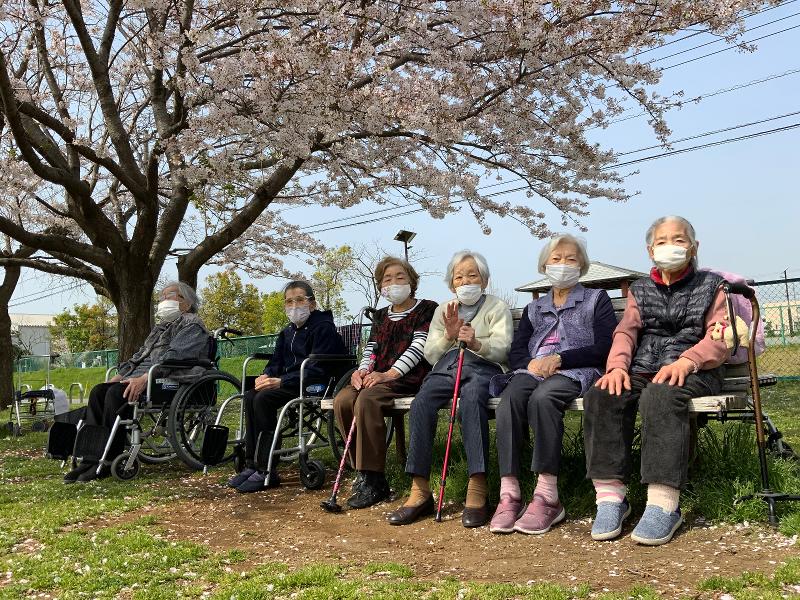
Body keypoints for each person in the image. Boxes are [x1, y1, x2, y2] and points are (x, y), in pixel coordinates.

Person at [583, 216, 730, 546]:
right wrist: (617, 367)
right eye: (662, 241)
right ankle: (611, 499)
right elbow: (626, 332)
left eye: (679, 239)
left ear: (694, 247)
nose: (671, 246)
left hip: (696, 371)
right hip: (643, 368)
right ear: (650, 250)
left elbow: (721, 336)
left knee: (660, 397)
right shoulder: (640, 289)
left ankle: (664, 504)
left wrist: (689, 361)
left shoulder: (713, 285)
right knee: (602, 394)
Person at [488, 235, 616, 535]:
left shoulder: (597, 300)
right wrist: (529, 364)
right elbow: (517, 351)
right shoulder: (536, 308)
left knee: (543, 399)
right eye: (556, 259)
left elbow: (605, 346)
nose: (562, 265)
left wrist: (560, 359)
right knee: (510, 399)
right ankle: (510, 493)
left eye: (570, 259)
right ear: (544, 265)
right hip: (533, 371)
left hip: (576, 370)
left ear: (582, 265)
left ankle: (547, 496)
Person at [387, 250, 513, 528]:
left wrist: (477, 343)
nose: (466, 280)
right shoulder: (443, 310)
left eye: (472, 275)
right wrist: (449, 335)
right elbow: (431, 354)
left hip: (483, 368)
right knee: (421, 403)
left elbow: (504, 348)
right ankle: (420, 490)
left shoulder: (496, 307)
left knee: (472, 400)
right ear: (451, 284)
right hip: (446, 368)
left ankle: (477, 486)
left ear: (485, 280)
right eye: (459, 277)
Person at [64, 281, 210, 483]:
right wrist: (122, 374)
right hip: (145, 376)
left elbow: (175, 357)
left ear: (187, 302)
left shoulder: (192, 324)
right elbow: (140, 355)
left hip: (171, 379)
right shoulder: (160, 328)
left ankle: (109, 458)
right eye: (162, 298)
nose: (164, 301)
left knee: (117, 394)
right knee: (100, 390)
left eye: (171, 296)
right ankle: (91, 458)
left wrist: (144, 378)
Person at [333, 257, 437, 509]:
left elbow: (419, 346)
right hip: (376, 377)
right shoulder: (380, 316)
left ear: (412, 281)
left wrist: (389, 374)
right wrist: (361, 371)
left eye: (400, 277)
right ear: (380, 286)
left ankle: (374, 477)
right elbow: (372, 348)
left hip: (408, 377)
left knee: (368, 400)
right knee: (344, 400)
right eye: (387, 279)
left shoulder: (427, 308)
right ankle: (365, 474)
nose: (394, 282)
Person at [229, 280, 348, 493]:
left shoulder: (323, 328)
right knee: (250, 395)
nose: (294, 306)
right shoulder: (287, 332)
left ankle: (268, 470)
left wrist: (283, 381)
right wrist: (266, 375)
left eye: (300, 300)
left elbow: (318, 367)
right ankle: (252, 463)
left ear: (312, 304)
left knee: (264, 399)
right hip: (293, 380)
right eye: (289, 301)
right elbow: (276, 362)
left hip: (317, 382)